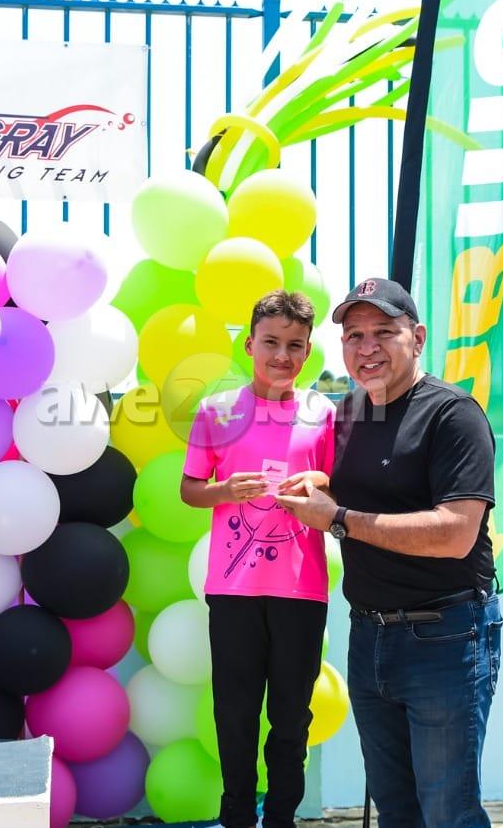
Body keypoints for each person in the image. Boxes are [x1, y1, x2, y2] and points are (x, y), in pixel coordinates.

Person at [275, 277, 501, 828]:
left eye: (383, 331)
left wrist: (338, 519)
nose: (367, 347)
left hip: (445, 636)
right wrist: (323, 484)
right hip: (370, 635)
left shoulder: (454, 414)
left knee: (448, 811)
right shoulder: (351, 412)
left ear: (417, 338)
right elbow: (372, 488)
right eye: (354, 335)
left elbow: (455, 533)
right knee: (396, 810)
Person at [179, 290, 336, 828]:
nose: (282, 355)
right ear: (249, 345)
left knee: (291, 719)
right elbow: (189, 489)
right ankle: (238, 817)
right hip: (233, 590)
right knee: (236, 714)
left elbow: (336, 483)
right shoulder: (216, 410)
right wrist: (225, 491)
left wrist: (316, 479)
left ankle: (282, 818)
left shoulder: (323, 412)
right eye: (271, 342)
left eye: (295, 345)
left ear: (308, 350)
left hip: (302, 589)